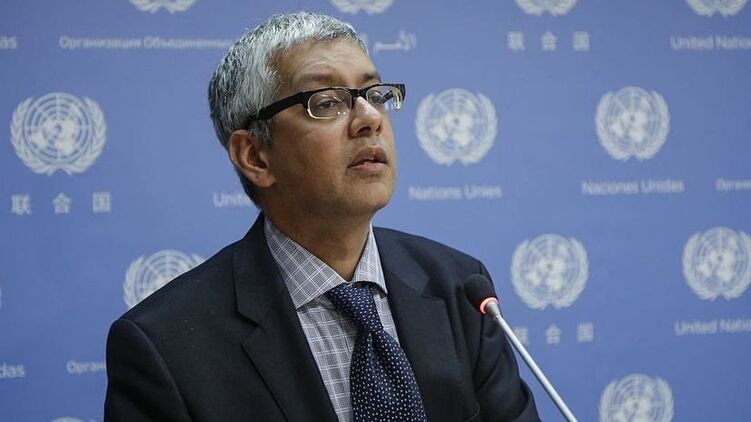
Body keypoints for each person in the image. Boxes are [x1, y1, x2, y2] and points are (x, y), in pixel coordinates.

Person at [104, 11, 539, 422]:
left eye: (376, 95)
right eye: (327, 102)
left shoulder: (460, 288)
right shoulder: (166, 346)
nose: (369, 119)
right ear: (255, 156)